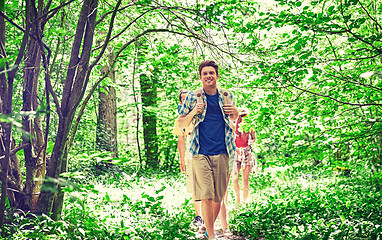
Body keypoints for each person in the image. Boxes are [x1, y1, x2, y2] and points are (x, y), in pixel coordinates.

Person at [178, 60, 238, 240]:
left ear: (217, 76)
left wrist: (234, 111)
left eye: (211, 73)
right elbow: (180, 124)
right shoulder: (192, 97)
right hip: (200, 151)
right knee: (206, 195)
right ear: (200, 77)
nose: (208, 76)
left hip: (223, 151)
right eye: (205, 73)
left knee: (218, 198)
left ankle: (207, 227)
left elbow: (233, 119)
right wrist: (193, 112)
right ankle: (211, 236)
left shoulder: (227, 95)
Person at [173, 89, 203, 228]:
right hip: (191, 155)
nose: (186, 102)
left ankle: (212, 215)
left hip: (207, 153)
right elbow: (181, 140)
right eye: (183, 99)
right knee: (195, 186)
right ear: (180, 102)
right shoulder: (180, 120)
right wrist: (182, 160)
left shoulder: (202, 114)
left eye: (188, 99)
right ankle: (199, 216)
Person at [232, 109, 256, 205]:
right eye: (241, 116)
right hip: (236, 152)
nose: (243, 119)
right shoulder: (234, 125)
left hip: (246, 152)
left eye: (245, 117)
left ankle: (245, 201)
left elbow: (254, 138)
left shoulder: (250, 126)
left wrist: (251, 141)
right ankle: (238, 200)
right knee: (235, 178)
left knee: (245, 179)